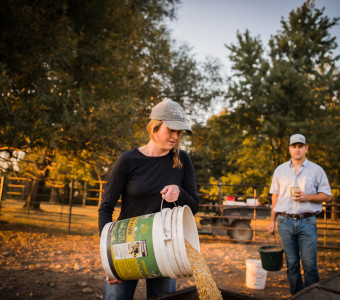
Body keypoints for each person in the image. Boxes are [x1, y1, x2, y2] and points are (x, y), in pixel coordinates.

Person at [98, 99, 199, 300]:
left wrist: (179, 193)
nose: (176, 136)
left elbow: (194, 206)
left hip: (167, 246)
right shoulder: (128, 160)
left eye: (179, 132)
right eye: (171, 130)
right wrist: (108, 258)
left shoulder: (182, 160)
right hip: (126, 246)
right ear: (155, 126)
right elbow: (106, 207)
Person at [268, 133, 332, 295]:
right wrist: (271, 221)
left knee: (310, 264)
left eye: (300, 146)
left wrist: (307, 197)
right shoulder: (280, 170)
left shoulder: (316, 170)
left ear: (306, 148)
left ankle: (313, 297)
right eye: (294, 146)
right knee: (292, 264)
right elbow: (275, 196)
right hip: (285, 222)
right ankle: (297, 296)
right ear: (289, 149)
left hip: (307, 222)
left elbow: (328, 196)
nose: (297, 150)